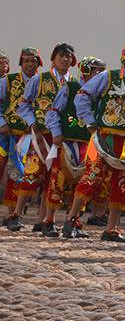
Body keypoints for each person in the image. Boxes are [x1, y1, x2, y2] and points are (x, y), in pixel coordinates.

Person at [62, 42, 125, 241]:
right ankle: (71, 220)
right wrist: (90, 122)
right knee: (90, 177)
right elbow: (82, 95)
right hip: (101, 137)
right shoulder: (107, 77)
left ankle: (111, 229)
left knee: (124, 184)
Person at [11, 44, 76, 231]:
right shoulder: (39, 79)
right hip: (40, 135)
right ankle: (16, 214)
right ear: (53, 59)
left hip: (61, 138)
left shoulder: (73, 83)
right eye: (61, 56)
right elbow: (23, 105)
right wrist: (33, 124)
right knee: (32, 173)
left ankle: (44, 220)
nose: (65, 60)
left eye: (68, 57)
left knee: (55, 178)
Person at [39, 56, 106, 237]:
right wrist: (56, 132)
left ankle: (73, 221)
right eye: (94, 71)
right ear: (85, 71)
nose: (98, 75)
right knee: (57, 180)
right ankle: (49, 220)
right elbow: (54, 111)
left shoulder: (102, 94)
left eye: (100, 71)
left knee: (85, 181)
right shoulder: (70, 88)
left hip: (90, 144)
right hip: (67, 142)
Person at [0, 47, 42, 226]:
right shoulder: (8, 81)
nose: (30, 64)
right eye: (26, 61)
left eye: (33, 61)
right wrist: (1, 123)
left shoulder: (43, 82)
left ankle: (13, 215)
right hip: (5, 135)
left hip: (29, 137)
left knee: (20, 174)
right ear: (20, 63)